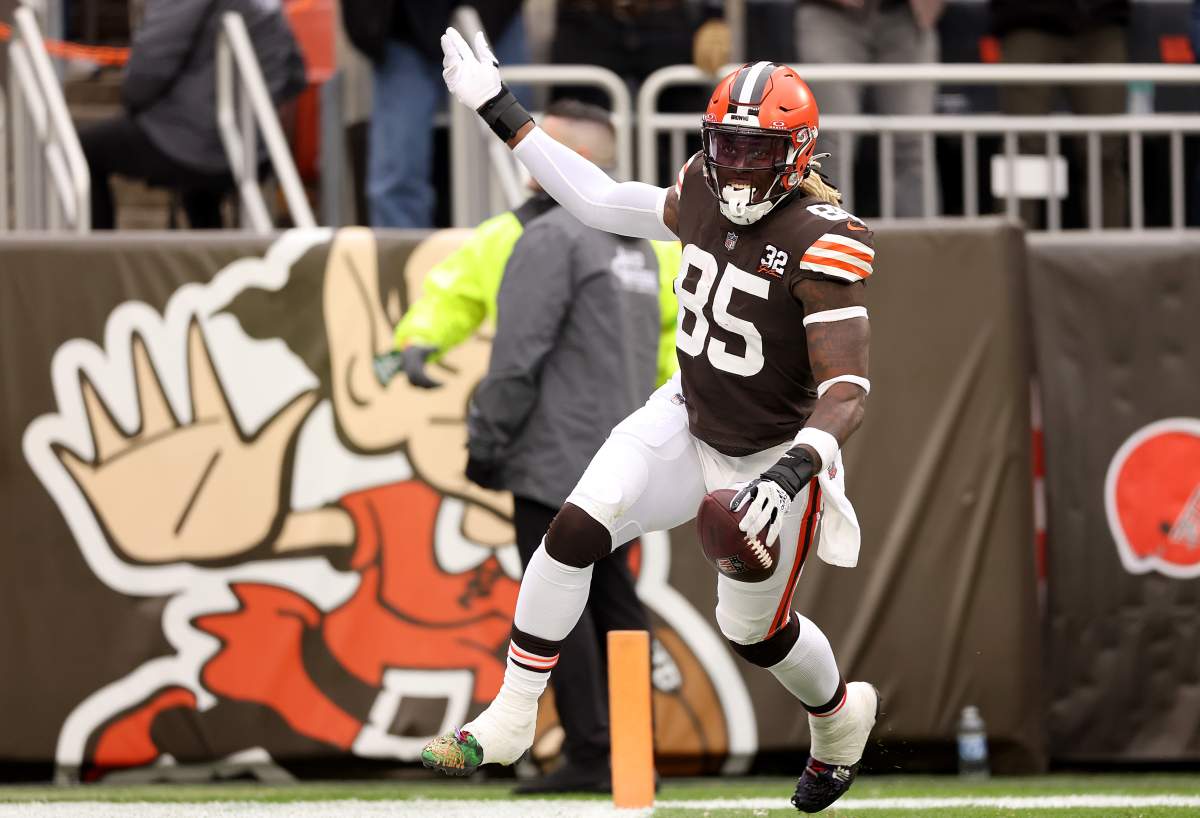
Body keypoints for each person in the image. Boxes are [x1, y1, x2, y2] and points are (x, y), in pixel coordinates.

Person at [424, 29, 880, 813]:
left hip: (769, 454)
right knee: (573, 530)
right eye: (727, 146)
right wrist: (496, 106)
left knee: (755, 633)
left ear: (798, 153)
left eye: (757, 151)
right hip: (684, 414)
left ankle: (839, 720)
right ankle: (512, 714)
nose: (737, 166)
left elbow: (847, 391)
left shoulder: (822, 241)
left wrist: (788, 475)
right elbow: (597, 198)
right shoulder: (699, 188)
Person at [384, 99, 682, 793]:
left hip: (553, 460)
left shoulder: (541, 238)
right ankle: (631, 754)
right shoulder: (643, 246)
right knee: (615, 601)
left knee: (556, 603)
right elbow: (671, 354)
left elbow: (516, 358)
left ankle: (592, 752)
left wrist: (488, 441)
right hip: (625, 457)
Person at [79, 0, 306, 229]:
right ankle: (209, 245)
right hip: (254, 142)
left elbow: (151, 64)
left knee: (82, 150)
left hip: (204, 138)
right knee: (199, 188)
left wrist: (135, 102)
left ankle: (96, 252)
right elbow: (295, 72)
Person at [340, 0, 526, 228]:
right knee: (398, 174)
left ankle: (516, 244)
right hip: (404, 28)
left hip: (492, 21)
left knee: (513, 164)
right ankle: (404, 250)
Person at [796, 0, 945, 218]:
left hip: (910, 15)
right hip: (829, 12)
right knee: (831, 144)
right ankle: (827, 237)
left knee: (913, 143)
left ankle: (923, 239)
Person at [990, 0, 1130, 228]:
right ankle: (1014, 244)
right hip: (1026, 18)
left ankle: (1110, 246)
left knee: (1105, 150)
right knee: (1023, 149)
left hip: (1102, 21)